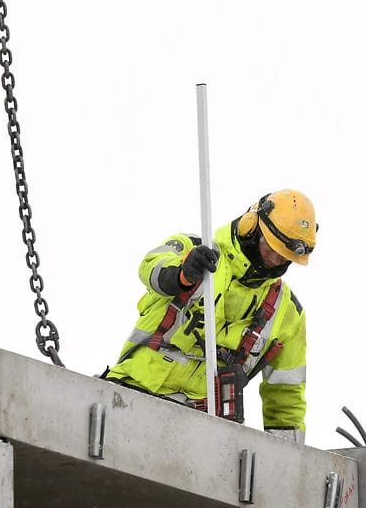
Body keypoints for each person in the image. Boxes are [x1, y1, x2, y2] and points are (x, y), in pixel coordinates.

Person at [106, 189, 315, 443]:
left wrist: (288, 459)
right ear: (251, 225)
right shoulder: (194, 249)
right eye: (270, 247)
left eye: (284, 256)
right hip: (129, 396)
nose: (275, 259)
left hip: (205, 434)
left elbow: (286, 397)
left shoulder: (288, 313)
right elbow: (150, 266)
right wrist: (181, 274)